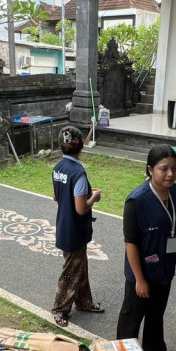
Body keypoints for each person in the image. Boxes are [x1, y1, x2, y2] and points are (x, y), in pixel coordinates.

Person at [117, 145, 176, 351]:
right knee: (132, 316)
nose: (170, 174)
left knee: (157, 310)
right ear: (150, 170)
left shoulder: (175, 192)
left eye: (174, 168)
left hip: (165, 265)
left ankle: (156, 346)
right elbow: (131, 243)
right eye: (164, 169)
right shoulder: (137, 200)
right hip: (141, 270)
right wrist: (140, 279)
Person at [51, 126, 104, 327]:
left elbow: (56, 196)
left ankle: (84, 302)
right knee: (70, 271)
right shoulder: (78, 173)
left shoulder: (58, 167)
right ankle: (59, 308)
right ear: (81, 146)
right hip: (75, 229)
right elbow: (81, 208)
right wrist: (94, 197)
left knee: (79, 264)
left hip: (63, 224)